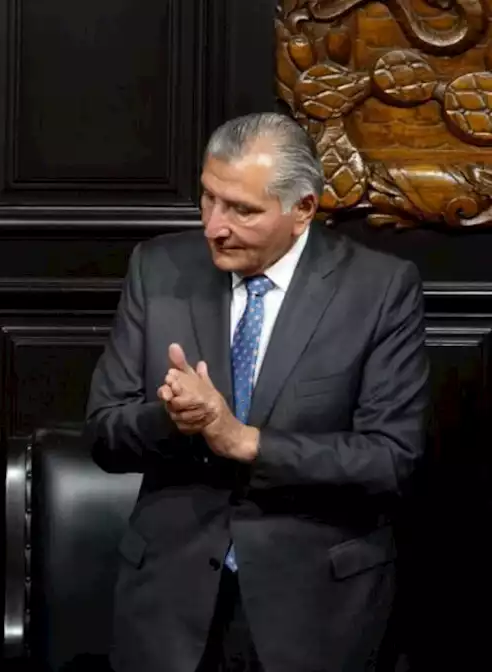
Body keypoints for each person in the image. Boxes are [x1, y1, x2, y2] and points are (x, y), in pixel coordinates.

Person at [85, 112, 429, 672]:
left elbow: (391, 459)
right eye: (208, 199)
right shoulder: (158, 269)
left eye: (241, 210)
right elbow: (103, 430)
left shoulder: (379, 290)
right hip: (170, 604)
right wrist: (176, 420)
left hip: (315, 608)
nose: (213, 226)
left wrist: (243, 440)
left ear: (303, 211)